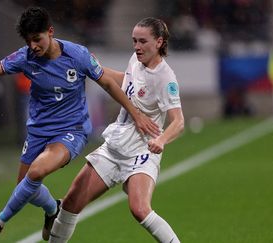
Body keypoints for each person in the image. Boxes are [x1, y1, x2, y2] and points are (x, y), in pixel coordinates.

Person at [0, 7, 159, 242]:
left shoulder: (78, 55)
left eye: (37, 39)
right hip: (38, 131)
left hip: (71, 131)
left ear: (50, 31)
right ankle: (53, 209)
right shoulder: (25, 57)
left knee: (36, 172)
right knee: (25, 187)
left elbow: (107, 82)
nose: (33, 46)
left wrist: (136, 113)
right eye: (28, 40)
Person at [49, 17, 184, 243]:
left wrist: (161, 140)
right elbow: (127, 81)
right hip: (114, 147)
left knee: (139, 209)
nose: (137, 47)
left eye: (143, 41)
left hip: (142, 151)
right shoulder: (135, 60)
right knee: (71, 202)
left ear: (159, 42)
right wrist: (97, 69)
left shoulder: (165, 78)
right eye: (134, 41)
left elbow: (178, 121)